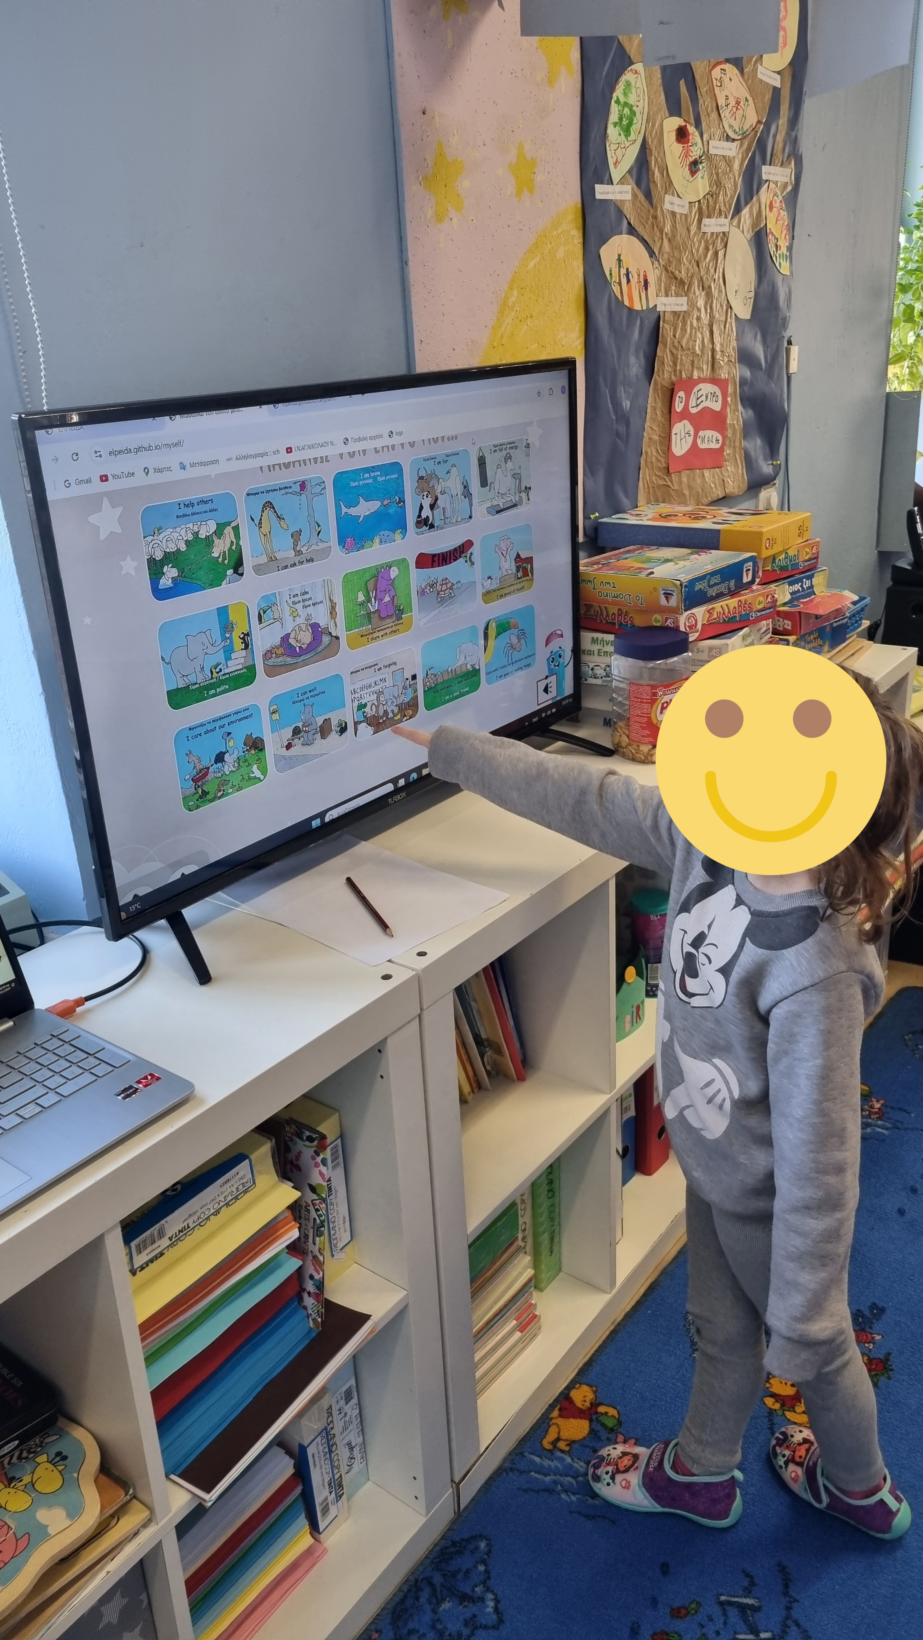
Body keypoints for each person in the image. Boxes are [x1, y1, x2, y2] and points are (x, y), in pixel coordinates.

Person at [393, 675, 923, 1541]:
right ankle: (703, 1472)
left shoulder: (815, 969)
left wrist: (805, 1305)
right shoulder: (701, 841)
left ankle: (857, 1487)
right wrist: (453, 751)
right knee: (718, 1325)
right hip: (718, 1162)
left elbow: (823, 1160)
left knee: (818, 1346)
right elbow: (586, 796)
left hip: (769, 1200)